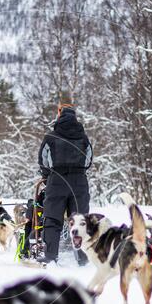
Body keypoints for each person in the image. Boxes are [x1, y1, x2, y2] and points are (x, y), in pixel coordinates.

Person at [36, 103, 93, 265]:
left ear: (59, 116)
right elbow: (88, 160)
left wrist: (48, 176)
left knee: (53, 219)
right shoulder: (84, 138)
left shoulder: (51, 137)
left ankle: (50, 256)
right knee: (80, 219)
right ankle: (82, 257)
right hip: (79, 182)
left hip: (57, 180)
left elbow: (43, 160)